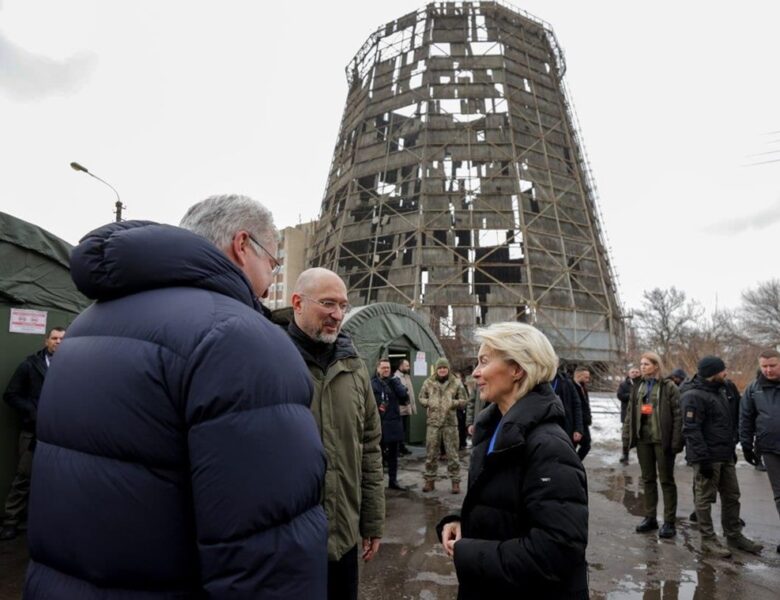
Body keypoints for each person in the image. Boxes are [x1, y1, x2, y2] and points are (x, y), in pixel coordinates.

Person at [26, 195, 328, 598]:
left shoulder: (84, 327)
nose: (272, 278)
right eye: (272, 262)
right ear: (243, 245)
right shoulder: (239, 336)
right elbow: (264, 545)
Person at [437, 322, 588, 599]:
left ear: (517, 369)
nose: (475, 372)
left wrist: (469, 552)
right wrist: (463, 524)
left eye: (484, 361)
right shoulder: (496, 429)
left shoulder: (548, 447)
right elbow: (506, 505)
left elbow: (556, 552)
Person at [287, 267, 384, 600]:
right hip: (290, 540)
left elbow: (369, 447)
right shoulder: (273, 359)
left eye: (343, 305)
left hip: (343, 537)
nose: (338, 315)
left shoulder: (354, 367)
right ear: (297, 302)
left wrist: (371, 521)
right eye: (328, 304)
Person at [681, 356, 762, 557]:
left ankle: (734, 535)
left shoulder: (724, 390)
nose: (725, 373)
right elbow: (691, 429)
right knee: (704, 498)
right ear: (711, 373)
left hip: (725, 454)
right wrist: (703, 460)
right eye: (722, 370)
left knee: (732, 496)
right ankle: (708, 540)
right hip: (707, 457)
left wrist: (734, 443)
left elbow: (734, 418)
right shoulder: (693, 395)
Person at [0, 327, 65, 541]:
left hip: (61, 435)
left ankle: (50, 523)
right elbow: (11, 394)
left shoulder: (73, 366)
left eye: (63, 339)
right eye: (54, 338)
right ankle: (10, 521)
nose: (58, 342)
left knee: (57, 481)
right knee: (24, 478)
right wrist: (31, 411)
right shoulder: (30, 365)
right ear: (46, 341)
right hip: (33, 434)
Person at [623, 351, 683, 539]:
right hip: (643, 440)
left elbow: (678, 415)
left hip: (661, 440)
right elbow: (630, 414)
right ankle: (650, 518)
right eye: (641, 364)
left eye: (647, 364)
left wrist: (676, 441)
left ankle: (669, 521)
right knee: (647, 479)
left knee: (666, 480)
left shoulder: (668, 387)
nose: (642, 367)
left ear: (656, 366)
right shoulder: (638, 386)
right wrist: (626, 436)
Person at [740, 349, 780, 554]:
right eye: (764, 366)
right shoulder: (754, 389)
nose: (768, 369)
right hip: (770, 448)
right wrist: (746, 445)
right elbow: (746, 418)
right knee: (779, 494)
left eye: (773, 365)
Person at [419, 358, 468, 494]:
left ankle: (455, 482)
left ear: (448, 369)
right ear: (436, 369)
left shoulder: (456, 383)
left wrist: (452, 403)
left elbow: (464, 401)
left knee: (452, 454)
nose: (442, 370)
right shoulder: (428, 382)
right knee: (431, 453)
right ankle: (430, 480)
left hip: (450, 423)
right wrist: (430, 402)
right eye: (440, 368)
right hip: (433, 423)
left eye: (444, 368)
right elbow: (421, 397)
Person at [371, 358, 409, 491]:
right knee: (378, 455)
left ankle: (393, 481)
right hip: (379, 423)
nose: (386, 370)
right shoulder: (373, 383)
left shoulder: (394, 381)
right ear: (378, 369)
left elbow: (404, 397)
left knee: (393, 455)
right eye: (383, 367)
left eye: (388, 367)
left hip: (393, 423)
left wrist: (396, 383)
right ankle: (377, 483)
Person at [552, 368, 583, 448]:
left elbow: (577, 405)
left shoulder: (566, 382)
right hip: (543, 429)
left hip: (564, 427)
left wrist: (578, 429)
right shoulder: (537, 382)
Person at [617, 367, 640, 464]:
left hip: (640, 414)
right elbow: (620, 396)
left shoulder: (643, 383)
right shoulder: (623, 384)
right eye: (632, 372)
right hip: (627, 413)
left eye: (636, 372)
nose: (634, 373)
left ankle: (642, 456)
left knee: (641, 435)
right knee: (626, 436)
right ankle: (625, 454)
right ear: (628, 373)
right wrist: (632, 395)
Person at [393, 359, 417, 456]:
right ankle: (398, 449)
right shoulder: (396, 377)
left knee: (403, 429)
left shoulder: (406, 376)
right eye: (406, 366)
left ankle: (402, 447)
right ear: (401, 366)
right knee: (399, 429)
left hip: (406, 407)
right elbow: (400, 394)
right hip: (400, 408)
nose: (408, 367)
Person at [572, 366, 592, 460]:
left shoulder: (583, 387)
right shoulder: (571, 387)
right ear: (578, 375)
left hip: (584, 422)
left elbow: (585, 405)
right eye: (586, 377)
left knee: (586, 445)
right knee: (572, 447)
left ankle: (576, 462)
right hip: (575, 423)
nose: (588, 380)